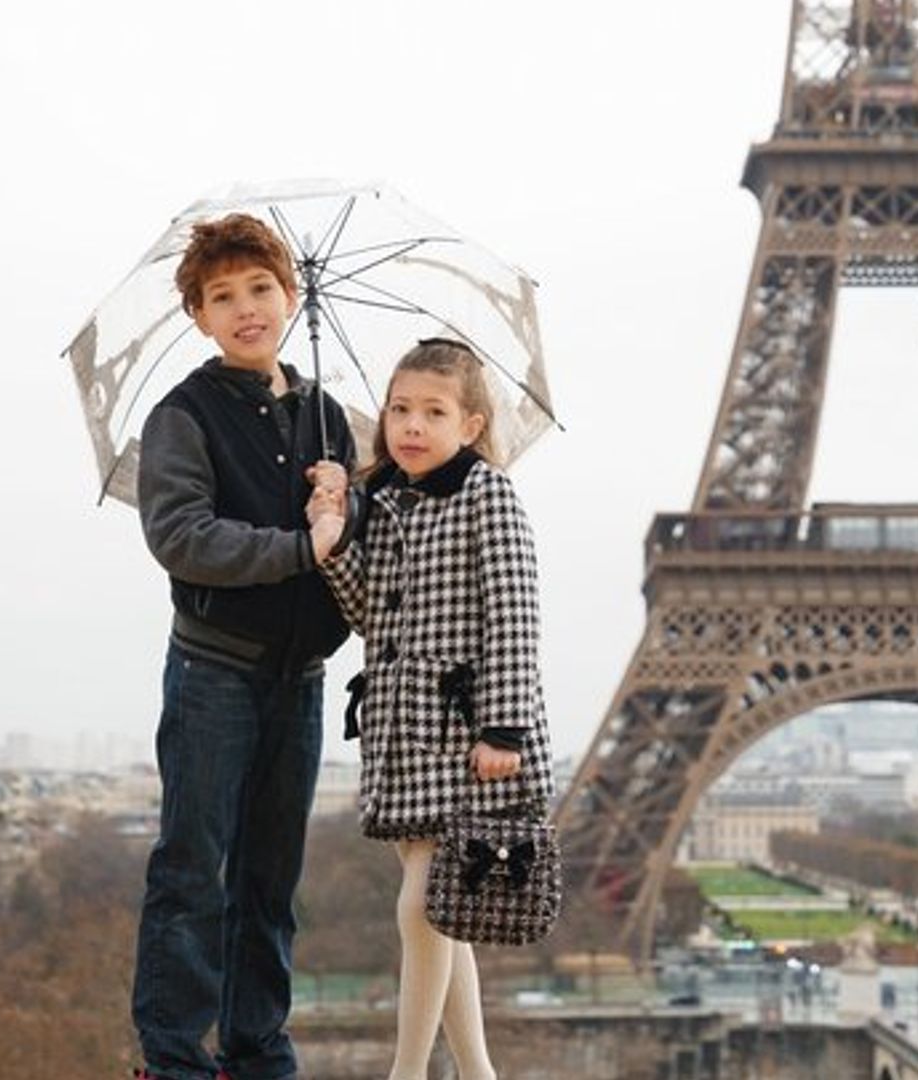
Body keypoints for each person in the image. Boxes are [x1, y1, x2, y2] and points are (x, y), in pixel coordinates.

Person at [130, 212, 356, 1080]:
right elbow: (183, 537)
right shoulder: (182, 416)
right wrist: (299, 548)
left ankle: (259, 1052)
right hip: (214, 672)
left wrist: (348, 497)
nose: (246, 308)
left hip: (299, 678)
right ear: (200, 317)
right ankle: (175, 1059)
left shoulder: (328, 416)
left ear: (291, 297)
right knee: (192, 873)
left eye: (260, 288)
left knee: (269, 881)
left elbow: (355, 546)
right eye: (222, 296)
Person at [308, 338, 555, 1080]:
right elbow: (367, 616)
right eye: (399, 410)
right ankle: (478, 1073)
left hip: (467, 734)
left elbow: (514, 610)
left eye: (433, 412)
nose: (411, 426)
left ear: (471, 426)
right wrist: (331, 539)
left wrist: (503, 727)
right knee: (444, 904)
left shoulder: (489, 494)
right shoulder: (382, 503)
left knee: (423, 906)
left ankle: (407, 1072)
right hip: (400, 731)